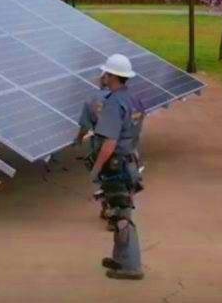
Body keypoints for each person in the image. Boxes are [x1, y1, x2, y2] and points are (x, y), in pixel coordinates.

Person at [87, 54, 144, 280]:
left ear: (111, 76)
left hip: (116, 165)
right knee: (120, 210)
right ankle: (120, 259)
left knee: (121, 215)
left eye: (105, 73)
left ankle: (131, 266)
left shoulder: (113, 103)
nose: (103, 76)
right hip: (130, 161)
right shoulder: (134, 100)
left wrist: (96, 169)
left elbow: (109, 143)